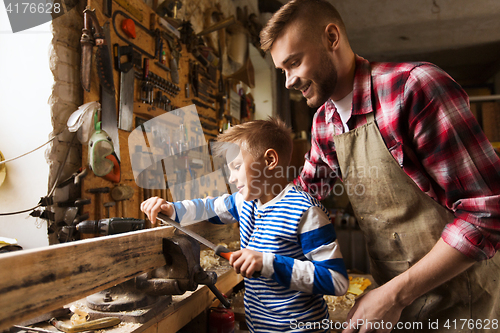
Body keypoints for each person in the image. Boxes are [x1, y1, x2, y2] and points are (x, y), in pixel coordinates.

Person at [260, 0, 500, 332]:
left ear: (332, 37)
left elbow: (486, 213)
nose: (288, 81)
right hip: (395, 309)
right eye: (281, 71)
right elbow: (304, 195)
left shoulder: (414, 88)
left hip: (467, 304)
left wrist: (392, 297)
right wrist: (237, 211)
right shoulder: (325, 124)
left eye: (294, 63)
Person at [141, 118, 349, 332]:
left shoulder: (306, 211)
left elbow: (337, 281)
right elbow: (208, 207)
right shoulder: (244, 202)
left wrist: (267, 263)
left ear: (269, 160)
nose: (231, 178)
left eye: (237, 166)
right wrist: (171, 209)